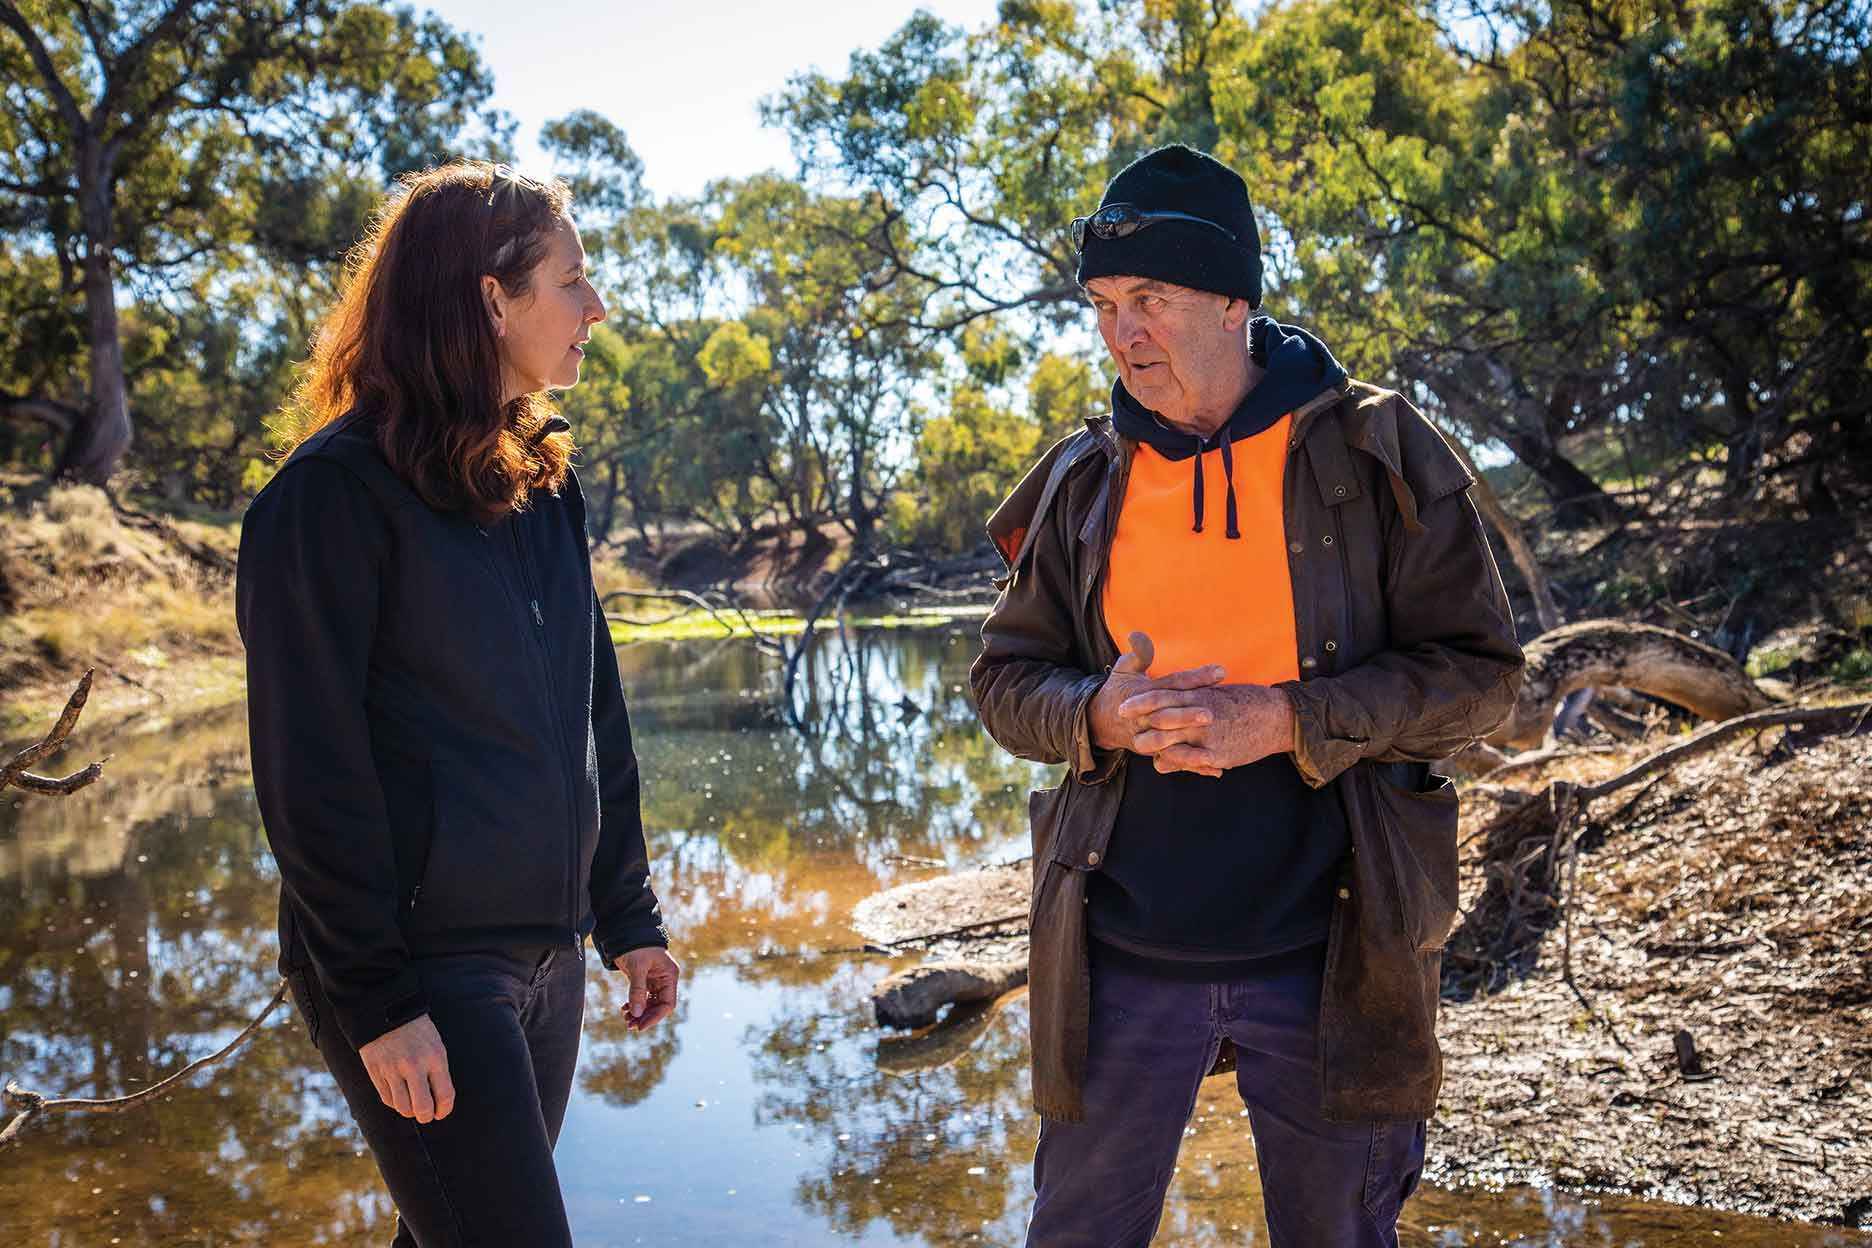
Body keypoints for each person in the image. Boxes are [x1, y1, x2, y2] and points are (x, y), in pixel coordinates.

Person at [970, 145, 1525, 1247]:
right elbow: (1002, 679)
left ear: (1233, 302)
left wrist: (1286, 720)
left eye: (1152, 300)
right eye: (1103, 304)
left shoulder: (1375, 455)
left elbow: (1481, 683)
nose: (1122, 333)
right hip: (1119, 960)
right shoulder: (1084, 478)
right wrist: (1095, 714)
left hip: (1334, 959)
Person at [237, 161, 680, 1247]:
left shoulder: (544, 481)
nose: (598, 306)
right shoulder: (328, 497)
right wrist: (380, 1002)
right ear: (492, 297)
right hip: (424, 972)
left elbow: (593, 711)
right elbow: (308, 771)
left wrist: (626, 913)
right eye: (572, 281)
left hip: (547, 956)